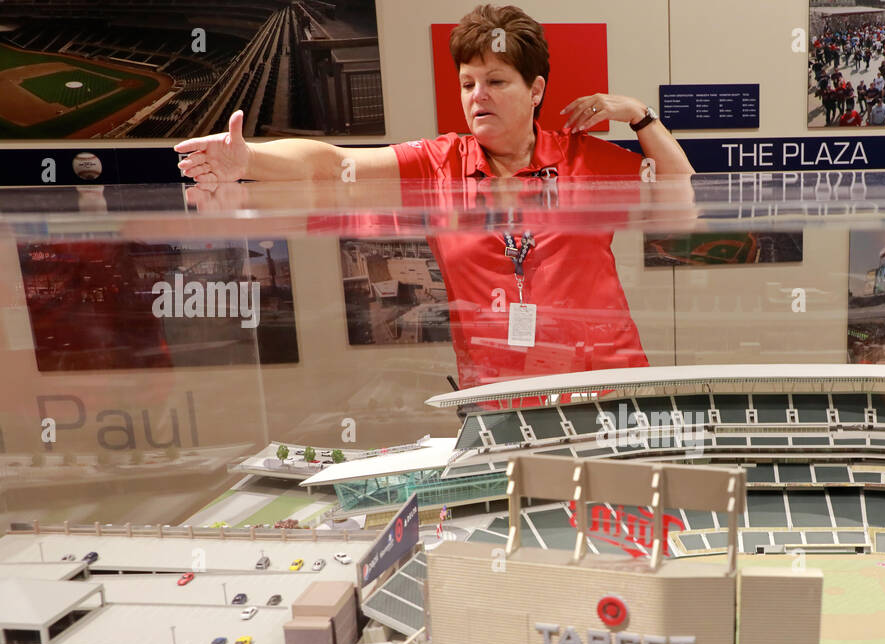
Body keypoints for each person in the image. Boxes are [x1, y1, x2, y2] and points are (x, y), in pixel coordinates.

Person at [174, 4, 694, 393]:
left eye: (495, 81)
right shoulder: (439, 161)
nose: (477, 96)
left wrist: (639, 114)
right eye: (467, 83)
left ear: (536, 91)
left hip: (607, 383)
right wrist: (249, 163)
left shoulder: (584, 158)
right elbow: (332, 167)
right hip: (499, 393)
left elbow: (680, 196)